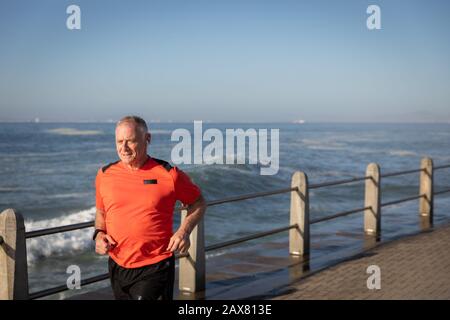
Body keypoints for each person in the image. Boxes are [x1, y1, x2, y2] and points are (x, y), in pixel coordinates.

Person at [94, 116, 206, 300]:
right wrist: (99, 233)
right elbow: (101, 211)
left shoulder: (169, 174)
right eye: (119, 142)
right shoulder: (104, 175)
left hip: (155, 265)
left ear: (147, 139)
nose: (124, 148)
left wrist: (183, 231)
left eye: (130, 141)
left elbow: (199, 203)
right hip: (117, 264)